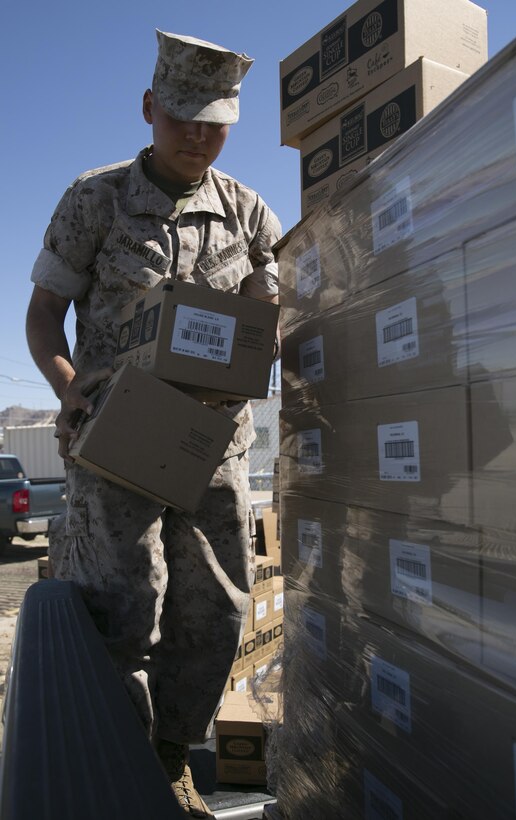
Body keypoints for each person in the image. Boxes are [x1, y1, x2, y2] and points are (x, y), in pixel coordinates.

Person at [26, 30, 281, 818]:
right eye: (183, 118)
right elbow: (43, 317)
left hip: (212, 447)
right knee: (123, 607)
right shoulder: (94, 199)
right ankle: (116, 761)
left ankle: (170, 757)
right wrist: (68, 390)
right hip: (116, 446)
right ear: (149, 108)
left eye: (215, 121)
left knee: (215, 609)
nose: (199, 134)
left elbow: (277, 310)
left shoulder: (246, 211)